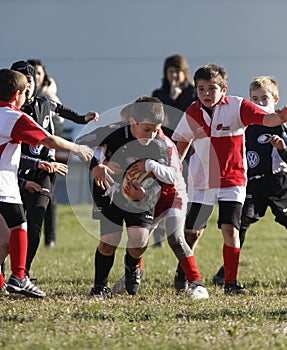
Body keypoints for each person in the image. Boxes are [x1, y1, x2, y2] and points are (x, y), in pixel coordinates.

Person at [172, 64, 287, 295]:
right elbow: (182, 143)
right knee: (192, 232)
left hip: (233, 180)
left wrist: (281, 116)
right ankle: (183, 272)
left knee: (230, 229)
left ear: (224, 89)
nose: (206, 93)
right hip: (202, 181)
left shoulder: (238, 106)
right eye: (201, 88)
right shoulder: (192, 112)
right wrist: (173, 170)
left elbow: (267, 119)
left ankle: (230, 283)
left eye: (212, 88)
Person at [77, 96, 207, 299]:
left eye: (156, 129)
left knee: (139, 241)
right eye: (147, 129)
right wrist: (97, 166)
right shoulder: (113, 132)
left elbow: (171, 177)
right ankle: (99, 287)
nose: (153, 134)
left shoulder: (163, 144)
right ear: (132, 122)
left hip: (146, 195)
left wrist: (144, 191)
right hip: (110, 190)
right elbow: (80, 144)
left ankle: (132, 266)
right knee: (109, 242)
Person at [0, 68, 93, 297]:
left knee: (2, 239)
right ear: (17, 95)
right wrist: (76, 148)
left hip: (11, 183)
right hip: (3, 187)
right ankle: (19, 278)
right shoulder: (13, 116)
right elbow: (48, 140)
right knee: (19, 227)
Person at [212, 76, 287, 285]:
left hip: (280, 184)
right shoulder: (246, 125)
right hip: (253, 185)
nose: (259, 103)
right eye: (255, 99)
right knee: (239, 225)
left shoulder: (280, 126)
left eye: (264, 98)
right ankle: (225, 273)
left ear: (275, 100)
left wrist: (282, 149)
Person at [151, 54, 197, 247]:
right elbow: (159, 117)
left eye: (178, 71)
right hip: (163, 147)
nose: (174, 75)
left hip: (187, 148)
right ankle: (158, 234)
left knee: (184, 189)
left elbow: (189, 118)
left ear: (184, 72)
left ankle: (186, 231)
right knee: (158, 189)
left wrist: (178, 98)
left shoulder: (193, 93)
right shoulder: (159, 93)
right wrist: (170, 98)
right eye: (171, 71)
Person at [27, 59, 62, 248]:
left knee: (48, 199)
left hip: (46, 154)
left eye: (38, 74)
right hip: (26, 156)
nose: (35, 78)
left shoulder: (49, 99)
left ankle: (50, 238)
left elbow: (58, 124)